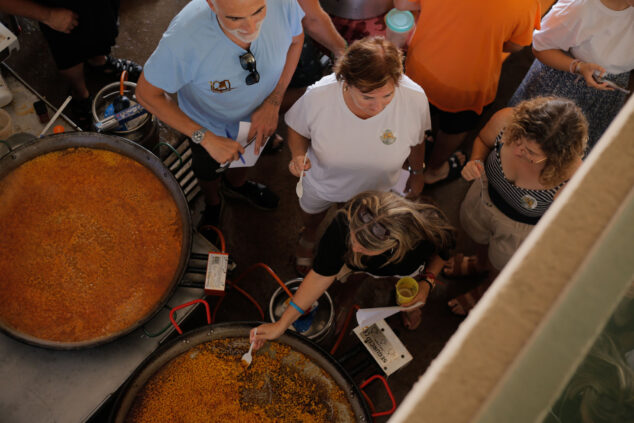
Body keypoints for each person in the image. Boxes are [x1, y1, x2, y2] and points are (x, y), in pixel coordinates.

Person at [136, 0, 304, 228]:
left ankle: (236, 186)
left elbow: (296, 40)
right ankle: (213, 202)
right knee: (207, 170)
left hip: (260, 115)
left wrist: (274, 102)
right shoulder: (183, 39)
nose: (251, 28)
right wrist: (204, 138)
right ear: (211, 5)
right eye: (234, 18)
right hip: (209, 127)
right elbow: (147, 94)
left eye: (258, 11)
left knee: (248, 155)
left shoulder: (283, 3)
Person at [285, 36, 431, 276]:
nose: (379, 107)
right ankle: (309, 235)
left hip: (376, 190)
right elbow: (296, 128)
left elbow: (417, 140)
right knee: (312, 214)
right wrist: (298, 155)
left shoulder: (414, 97)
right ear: (346, 81)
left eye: (387, 96)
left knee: (361, 225)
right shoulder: (319, 95)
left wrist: (417, 172)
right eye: (367, 97)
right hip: (323, 181)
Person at [250, 191, 456, 347]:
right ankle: (347, 298)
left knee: (409, 295)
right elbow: (322, 274)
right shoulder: (344, 224)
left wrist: (427, 282)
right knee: (353, 273)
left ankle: (403, 296)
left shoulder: (430, 230)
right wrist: (282, 324)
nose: (354, 247)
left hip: (407, 271)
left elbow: (444, 254)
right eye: (354, 237)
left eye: (364, 247)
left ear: (396, 243)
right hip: (367, 267)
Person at [443, 97, 587, 315]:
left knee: (501, 266)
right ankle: (480, 262)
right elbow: (483, 141)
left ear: (557, 158)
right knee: (478, 236)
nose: (519, 150)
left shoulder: (570, 173)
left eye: (531, 153)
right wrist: (476, 160)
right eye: (519, 140)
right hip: (483, 197)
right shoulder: (506, 120)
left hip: (519, 229)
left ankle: (487, 289)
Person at [394, 0, 541, 186]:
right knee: (454, 129)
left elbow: (402, 4)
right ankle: (434, 170)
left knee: (414, 114)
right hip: (469, 86)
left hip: (420, 69)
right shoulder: (526, 4)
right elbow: (515, 45)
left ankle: (406, 156)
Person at [509, 0, 634, 152]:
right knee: (534, 146)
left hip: (607, 98)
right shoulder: (581, 8)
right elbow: (540, 47)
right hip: (563, 89)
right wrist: (578, 67)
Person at [0, 0, 143, 129]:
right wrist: (48, 15)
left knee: (103, 28)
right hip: (59, 9)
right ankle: (80, 94)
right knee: (69, 51)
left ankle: (99, 62)